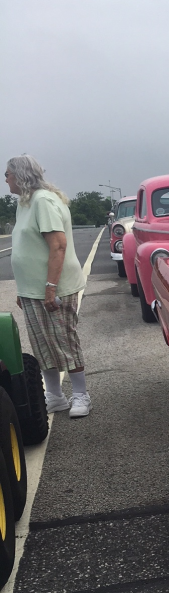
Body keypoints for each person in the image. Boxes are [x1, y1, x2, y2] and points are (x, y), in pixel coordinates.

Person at [5, 155, 92, 418]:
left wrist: (50, 287)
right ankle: (55, 396)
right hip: (32, 290)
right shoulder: (25, 202)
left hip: (54, 287)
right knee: (42, 344)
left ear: (20, 175)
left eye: (8, 174)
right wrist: (23, 289)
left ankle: (81, 395)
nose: (5, 179)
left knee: (64, 341)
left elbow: (58, 245)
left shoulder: (43, 201)